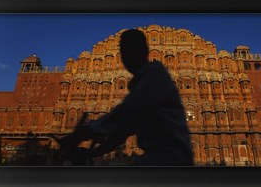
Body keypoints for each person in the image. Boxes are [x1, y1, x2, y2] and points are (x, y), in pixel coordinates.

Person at [79, 29, 194, 166]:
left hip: (171, 159)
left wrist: (89, 129)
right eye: (124, 52)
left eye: (132, 50)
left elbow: (127, 111)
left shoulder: (155, 73)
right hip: (161, 157)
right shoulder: (140, 82)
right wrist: (92, 153)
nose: (128, 56)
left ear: (144, 51)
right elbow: (124, 130)